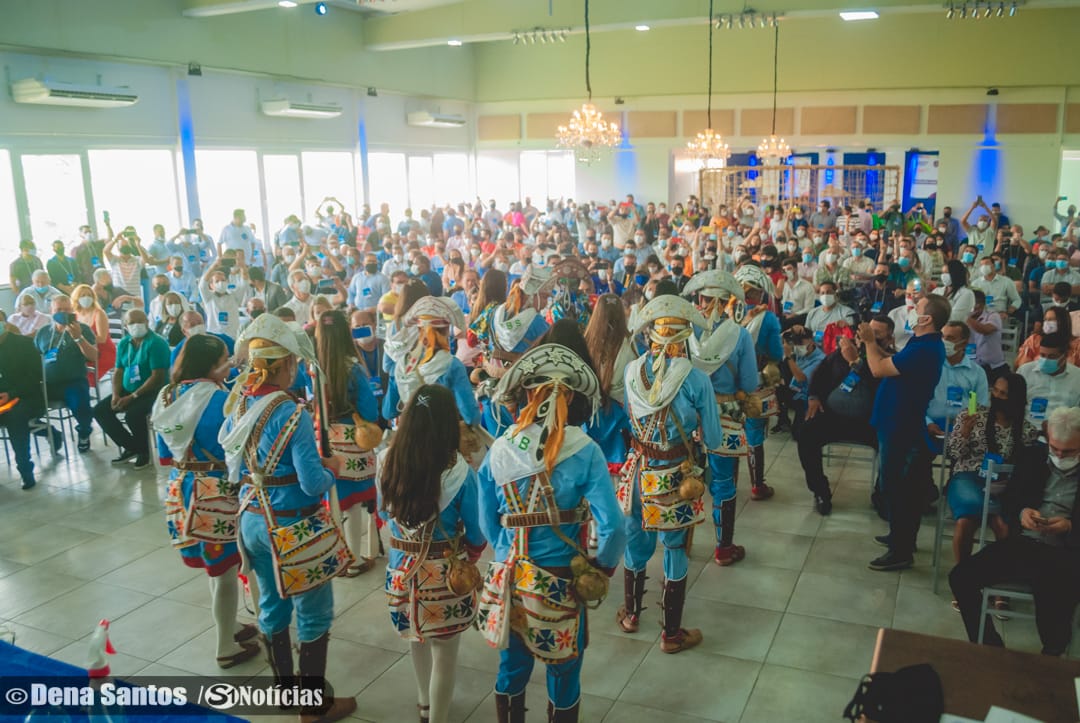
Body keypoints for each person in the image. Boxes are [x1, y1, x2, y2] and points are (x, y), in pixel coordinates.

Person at [477, 342, 625, 721]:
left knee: (511, 667)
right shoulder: (586, 450)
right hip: (562, 579)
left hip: (512, 575)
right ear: (570, 396)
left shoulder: (500, 450)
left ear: (528, 393)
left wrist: (506, 550)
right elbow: (613, 524)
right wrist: (602, 567)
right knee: (564, 669)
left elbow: (486, 521)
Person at [220, 313, 356, 723]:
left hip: (252, 518)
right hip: (293, 526)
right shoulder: (292, 413)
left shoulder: (239, 403)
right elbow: (313, 484)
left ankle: (284, 691)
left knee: (272, 604)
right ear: (283, 366)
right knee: (313, 613)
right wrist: (333, 468)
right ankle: (313, 707)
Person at [617, 295, 721, 651]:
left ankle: (631, 616)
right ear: (685, 337)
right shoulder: (696, 380)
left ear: (652, 336)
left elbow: (629, 414)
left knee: (636, 541)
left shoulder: (632, 371)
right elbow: (714, 438)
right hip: (675, 477)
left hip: (636, 471)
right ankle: (671, 635)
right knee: (674, 547)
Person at [150, 334, 260, 668]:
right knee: (225, 570)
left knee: (215, 568)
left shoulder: (167, 395)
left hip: (180, 486)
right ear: (211, 366)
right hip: (215, 491)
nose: (230, 364)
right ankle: (225, 646)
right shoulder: (221, 401)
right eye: (226, 359)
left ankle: (231, 626)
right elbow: (238, 450)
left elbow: (164, 453)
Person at [378, 384, 485, 723]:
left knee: (416, 638)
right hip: (444, 578)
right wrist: (471, 556)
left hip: (400, 572)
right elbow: (477, 531)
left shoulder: (385, 461)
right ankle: (437, 716)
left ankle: (424, 702)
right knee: (445, 654)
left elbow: (382, 513)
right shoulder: (459, 472)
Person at [950, 406, 1080, 656]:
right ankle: (990, 647)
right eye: (1055, 448)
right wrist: (1022, 513)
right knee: (960, 577)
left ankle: (1049, 659)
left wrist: (1069, 526)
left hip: (1067, 551)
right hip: (1026, 543)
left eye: (1069, 451)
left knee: (1054, 607)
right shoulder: (1033, 457)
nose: (1060, 455)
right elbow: (1010, 500)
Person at [860, 293, 951, 571]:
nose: (911, 309)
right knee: (899, 486)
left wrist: (869, 341)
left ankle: (901, 551)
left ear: (927, 318)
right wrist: (878, 347)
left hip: (902, 424)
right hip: (894, 419)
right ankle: (900, 537)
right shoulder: (920, 342)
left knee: (896, 488)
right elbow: (896, 361)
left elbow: (878, 369)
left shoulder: (926, 349)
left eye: (918, 307)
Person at [682, 270, 758, 565]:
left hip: (687, 418)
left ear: (700, 300)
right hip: (725, 415)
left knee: (684, 477)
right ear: (727, 302)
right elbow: (749, 383)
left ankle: (680, 545)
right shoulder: (740, 335)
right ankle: (723, 548)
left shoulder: (685, 333)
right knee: (724, 481)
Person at [945, 373, 1040, 575]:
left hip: (1003, 483)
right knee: (967, 520)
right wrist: (964, 433)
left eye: (1003, 394)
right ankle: (963, 576)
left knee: (1005, 527)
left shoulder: (1026, 430)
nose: (996, 396)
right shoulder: (972, 416)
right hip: (969, 476)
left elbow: (1026, 468)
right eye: (995, 391)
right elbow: (953, 454)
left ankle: (997, 577)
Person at [798, 316, 894, 515]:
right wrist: (813, 397)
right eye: (867, 331)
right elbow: (819, 374)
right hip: (834, 418)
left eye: (876, 334)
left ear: (889, 338)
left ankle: (882, 495)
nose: (868, 336)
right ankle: (820, 491)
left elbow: (880, 383)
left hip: (871, 422)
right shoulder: (843, 351)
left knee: (895, 445)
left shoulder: (890, 360)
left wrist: (856, 362)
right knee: (805, 432)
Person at [314, 309, 381, 577]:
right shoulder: (353, 368)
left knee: (334, 500)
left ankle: (334, 558)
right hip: (353, 442)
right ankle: (353, 559)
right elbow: (370, 412)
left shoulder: (313, 367)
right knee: (354, 504)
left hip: (325, 441)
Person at [383, 297, 478, 434]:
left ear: (419, 330)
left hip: (408, 436)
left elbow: (388, 412)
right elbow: (471, 415)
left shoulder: (402, 364)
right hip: (442, 436)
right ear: (446, 331)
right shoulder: (452, 365)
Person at [93, 308, 170, 469]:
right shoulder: (124, 343)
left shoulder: (156, 343)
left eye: (140, 321)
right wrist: (116, 394)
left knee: (133, 415)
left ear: (147, 322)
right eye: (131, 322)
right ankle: (132, 447)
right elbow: (119, 371)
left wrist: (133, 396)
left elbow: (157, 376)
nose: (136, 325)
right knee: (100, 410)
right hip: (128, 389)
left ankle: (144, 452)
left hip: (154, 391)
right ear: (125, 325)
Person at [734, 264, 783, 501]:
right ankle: (757, 486)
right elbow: (776, 352)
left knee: (729, 431)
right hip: (754, 382)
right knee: (754, 433)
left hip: (725, 386)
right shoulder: (768, 318)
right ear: (760, 292)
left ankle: (728, 484)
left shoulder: (724, 314)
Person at [35, 296, 98, 453]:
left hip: (74, 381)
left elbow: (94, 356)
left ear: (72, 311)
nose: (62, 312)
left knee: (81, 405)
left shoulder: (83, 329)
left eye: (66, 309)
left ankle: (84, 432)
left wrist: (78, 337)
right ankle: (49, 432)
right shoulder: (43, 332)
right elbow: (34, 357)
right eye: (58, 310)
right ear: (51, 311)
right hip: (48, 383)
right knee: (24, 406)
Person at [0, 317, 46, 489]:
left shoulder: (24, 344)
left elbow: (35, 377)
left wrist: (11, 394)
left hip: (26, 397)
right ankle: (50, 433)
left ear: (5, 323)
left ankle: (25, 470)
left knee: (15, 417)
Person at [1016, 332, 1080, 428]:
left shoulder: (1077, 377)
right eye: (1042, 355)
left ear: (1065, 356)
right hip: (1028, 429)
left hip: (1063, 432)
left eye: (1052, 357)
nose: (1045, 360)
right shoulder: (1025, 371)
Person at [777, 325, 826, 441]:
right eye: (797, 344)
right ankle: (783, 419)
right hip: (795, 390)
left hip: (808, 397)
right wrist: (789, 331)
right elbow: (776, 341)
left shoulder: (820, 359)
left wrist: (788, 357)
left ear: (812, 341)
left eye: (802, 344)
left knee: (798, 435)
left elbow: (801, 378)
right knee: (776, 388)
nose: (799, 347)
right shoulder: (801, 351)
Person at [72, 284, 115, 384]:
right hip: (83, 352)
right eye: (83, 295)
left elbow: (102, 338)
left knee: (86, 376)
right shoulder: (75, 315)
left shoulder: (99, 313)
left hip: (103, 352)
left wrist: (80, 338)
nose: (86, 297)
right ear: (77, 299)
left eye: (89, 295)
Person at [1015, 306, 1080, 368]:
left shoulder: (1077, 345)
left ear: (1063, 322)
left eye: (1051, 320)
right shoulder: (1034, 340)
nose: (1047, 323)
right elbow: (1022, 365)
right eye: (1045, 320)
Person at [200, 256, 248, 339]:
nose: (221, 283)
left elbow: (244, 283)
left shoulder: (234, 296)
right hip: (214, 335)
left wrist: (242, 267)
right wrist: (213, 267)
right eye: (217, 281)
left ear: (227, 282)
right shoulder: (208, 297)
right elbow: (202, 284)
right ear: (211, 285)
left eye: (223, 280)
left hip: (232, 336)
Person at [966, 290, 1008, 381]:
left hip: (994, 367)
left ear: (979, 305)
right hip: (972, 366)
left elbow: (985, 330)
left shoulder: (993, 316)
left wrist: (966, 317)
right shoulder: (964, 319)